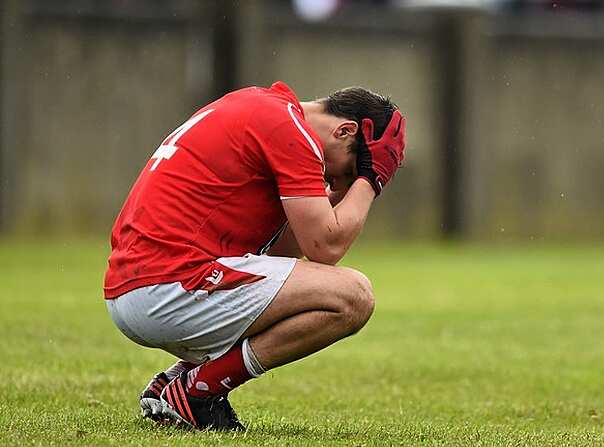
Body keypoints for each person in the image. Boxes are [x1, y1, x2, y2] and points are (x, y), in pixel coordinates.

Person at [103, 81, 406, 431]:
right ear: (344, 131)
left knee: (309, 291)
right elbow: (327, 247)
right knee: (353, 296)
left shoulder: (263, 108)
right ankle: (199, 390)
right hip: (169, 283)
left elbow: (287, 256)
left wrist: (343, 188)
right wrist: (371, 181)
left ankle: (174, 383)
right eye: (349, 172)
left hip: (141, 284)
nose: (342, 183)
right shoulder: (290, 130)